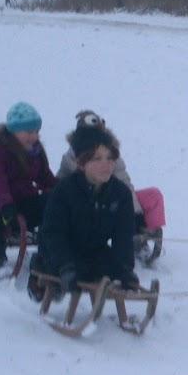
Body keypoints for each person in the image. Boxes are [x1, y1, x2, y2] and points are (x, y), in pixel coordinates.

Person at [36, 122, 139, 294]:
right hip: (61, 253)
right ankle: (41, 268)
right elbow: (53, 233)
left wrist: (125, 269)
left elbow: (124, 236)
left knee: (112, 268)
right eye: (97, 159)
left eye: (110, 158)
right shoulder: (64, 191)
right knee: (68, 268)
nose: (106, 165)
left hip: (94, 252)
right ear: (81, 163)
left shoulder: (121, 194)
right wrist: (65, 266)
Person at [56, 109, 166, 248]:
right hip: (92, 207)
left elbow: (124, 183)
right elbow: (60, 186)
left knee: (153, 196)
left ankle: (146, 233)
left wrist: (135, 213)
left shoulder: (112, 156)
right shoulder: (71, 159)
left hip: (117, 199)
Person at [0, 102, 55, 268]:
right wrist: (6, 205)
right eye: (28, 132)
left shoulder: (35, 150)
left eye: (36, 132)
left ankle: (51, 255)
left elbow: (45, 178)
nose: (34, 137)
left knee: (54, 202)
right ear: (14, 131)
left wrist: (63, 193)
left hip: (24, 201)